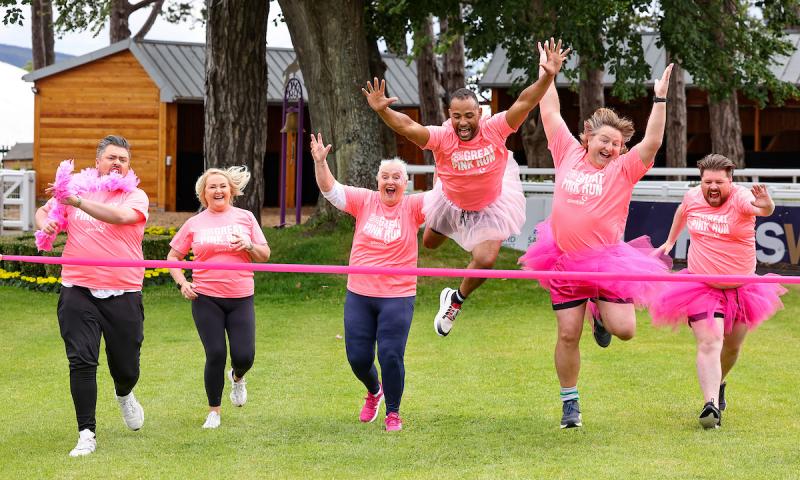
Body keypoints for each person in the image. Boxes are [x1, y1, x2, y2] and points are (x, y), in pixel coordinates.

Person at [362, 40, 569, 337]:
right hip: (450, 200)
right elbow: (408, 126)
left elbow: (524, 101)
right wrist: (383, 112)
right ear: (449, 114)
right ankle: (451, 222)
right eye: (456, 116)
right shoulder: (443, 136)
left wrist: (547, 77)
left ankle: (454, 300)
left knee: (485, 260)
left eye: (469, 116)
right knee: (430, 243)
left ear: (480, 113)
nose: (463, 123)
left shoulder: (495, 128)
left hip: (489, 205)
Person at [519, 40, 675, 428]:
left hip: (607, 262)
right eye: (604, 140)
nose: (610, 147)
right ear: (588, 137)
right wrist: (548, 74)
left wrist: (659, 100)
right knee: (567, 334)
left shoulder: (623, 170)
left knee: (625, 330)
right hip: (565, 260)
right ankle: (570, 403)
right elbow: (550, 109)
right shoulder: (567, 152)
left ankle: (601, 318)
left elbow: (653, 142)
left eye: (617, 144)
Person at [650, 154, 786, 429]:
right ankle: (710, 405)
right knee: (711, 341)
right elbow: (682, 211)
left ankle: (719, 383)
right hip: (701, 285)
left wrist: (767, 203)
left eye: (719, 182)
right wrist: (670, 241)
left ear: (730, 181)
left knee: (732, 346)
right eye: (707, 181)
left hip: (742, 288)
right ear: (700, 180)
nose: (713, 187)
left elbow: (764, 209)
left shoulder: (740, 198)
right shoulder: (692, 197)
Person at [34, 135, 149, 457]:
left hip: (123, 289)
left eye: (123, 159)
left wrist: (77, 203)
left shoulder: (135, 196)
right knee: (81, 360)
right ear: (97, 162)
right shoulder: (76, 191)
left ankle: (125, 394)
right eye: (111, 157)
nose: (117, 163)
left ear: (128, 167)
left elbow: (121, 219)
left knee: (126, 366)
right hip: (77, 287)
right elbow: (45, 213)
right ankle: (86, 432)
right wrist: (45, 226)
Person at [311, 132, 426, 431]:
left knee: (390, 354)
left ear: (405, 183)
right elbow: (330, 190)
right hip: (360, 294)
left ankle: (393, 412)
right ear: (377, 181)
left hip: (397, 295)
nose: (391, 181)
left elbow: (445, 198)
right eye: (385, 176)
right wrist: (320, 162)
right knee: (358, 358)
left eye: (397, 177)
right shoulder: (364, 201)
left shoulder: (413, 207)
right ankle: (374, 391)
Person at [167, 166, 270, 429]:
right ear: (204, 194)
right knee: (215, 353)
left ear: (231, 191)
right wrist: (182, 283)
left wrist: (249, 246)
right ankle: (214, 411)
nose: (218, 190)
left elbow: (265, 255)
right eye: (212, 187)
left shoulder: (246, 218)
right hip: (206, 297)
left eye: (222, 186)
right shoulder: (195, 223)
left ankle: (237, 378)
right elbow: (173, 257)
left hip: (240, 296)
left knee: (244, 356)